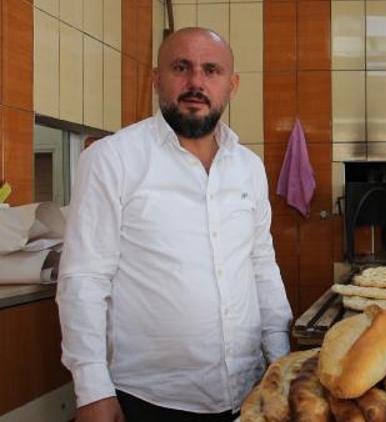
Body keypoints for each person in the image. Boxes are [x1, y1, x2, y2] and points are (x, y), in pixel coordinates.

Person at [56, 27, 292, 422]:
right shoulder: (113, 159)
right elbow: (84, 278)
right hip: (150, 400)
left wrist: (281, 358)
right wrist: (92, 389)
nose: (196, 82)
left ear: (231, 84)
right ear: (156, 78)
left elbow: (260, 265)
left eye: (211, 70)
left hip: (249, 389)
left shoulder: (248, 167)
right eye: (181, 67)